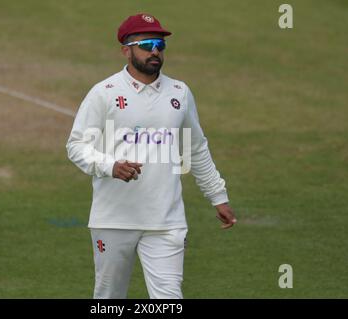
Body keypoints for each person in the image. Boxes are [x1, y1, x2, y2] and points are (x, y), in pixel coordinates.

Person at [66, 13, 237, 299]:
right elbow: (76, 145)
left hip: (166, 220)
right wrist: (111, 166)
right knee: (109, 298)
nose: (155, 51)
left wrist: (218, 196)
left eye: (160, 44)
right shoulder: (104, 93)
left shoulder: (180, 93)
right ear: (126, 49)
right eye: (146, 44)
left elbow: (195, 147)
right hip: (114, 219)